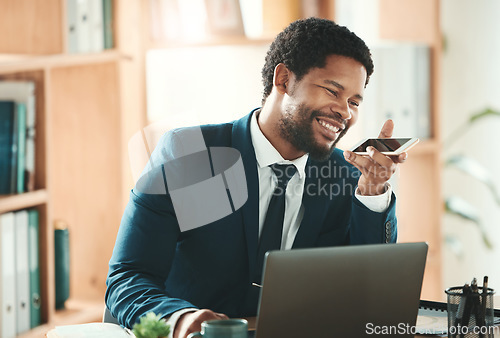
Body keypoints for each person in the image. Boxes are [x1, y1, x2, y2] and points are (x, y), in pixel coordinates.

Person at [105, 17, 406, 338]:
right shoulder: (191, 155)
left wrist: (373, 191)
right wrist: (178, 318)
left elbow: (369, 289)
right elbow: (128, 276)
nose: (345, 113)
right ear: (284, 79)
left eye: (354, 102)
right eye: (333, 91)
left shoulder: (345, 175)